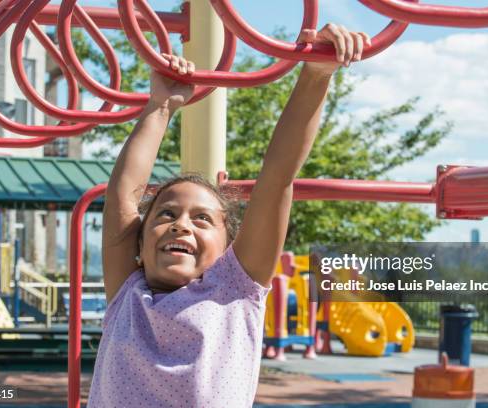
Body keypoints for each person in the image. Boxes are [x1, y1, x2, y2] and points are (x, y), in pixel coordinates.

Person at [88, 23, 370, 407]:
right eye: (166, 213)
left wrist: (316, 74)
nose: (181, 223)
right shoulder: (129, 294)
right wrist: (160, 107)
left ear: (228, 248)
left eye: (202, 219)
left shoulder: (234, 290)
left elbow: (277, 178)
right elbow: (123, 196)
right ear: (139, 240)